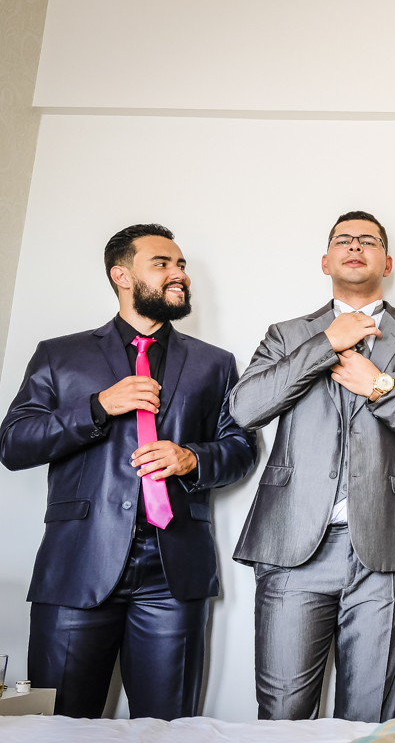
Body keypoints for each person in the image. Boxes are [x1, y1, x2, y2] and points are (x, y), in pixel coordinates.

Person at [0, 223, 254, 718]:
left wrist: (192, 458)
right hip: (77, 565)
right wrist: (97, 407)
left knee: (168, 728)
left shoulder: (215, 364)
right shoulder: (60, 354)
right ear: (121, 275)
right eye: (162, 264)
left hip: (174, 571)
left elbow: (242, 448)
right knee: (58, 726)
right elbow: (13, 444)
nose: (178, 274)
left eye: (180, 265)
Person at [229, 211, 395, 722]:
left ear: (387, 261)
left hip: (388, 547)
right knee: (282, 716)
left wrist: (380, 388)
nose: (355, 246)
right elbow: (245, 410)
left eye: (369, 241)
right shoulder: (288, 334)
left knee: (369, 718)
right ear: (325, 260)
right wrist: (326, 344)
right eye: (343, 240)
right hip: (291, 545)